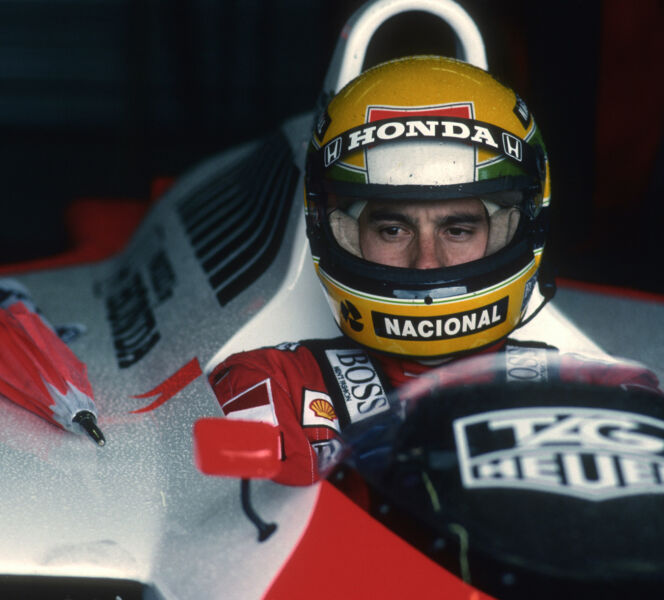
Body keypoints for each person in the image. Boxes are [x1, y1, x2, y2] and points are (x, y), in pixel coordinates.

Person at [209, 56, 660, 486]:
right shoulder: (271, 383)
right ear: (339, 233)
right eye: (392, 229)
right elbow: (249, 538)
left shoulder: (607, 394)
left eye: (458, 229)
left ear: (514, 229)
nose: (427, 261)